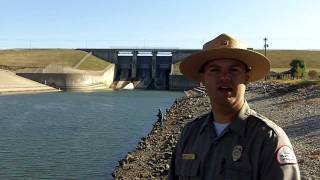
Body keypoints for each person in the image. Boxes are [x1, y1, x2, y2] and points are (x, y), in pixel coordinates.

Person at [169, 33, 300, 180]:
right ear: (203, 79)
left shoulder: (268, 139)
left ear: (246, 77)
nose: (224, 77)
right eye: (215, 70)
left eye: (234, 70)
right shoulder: (190, 134)